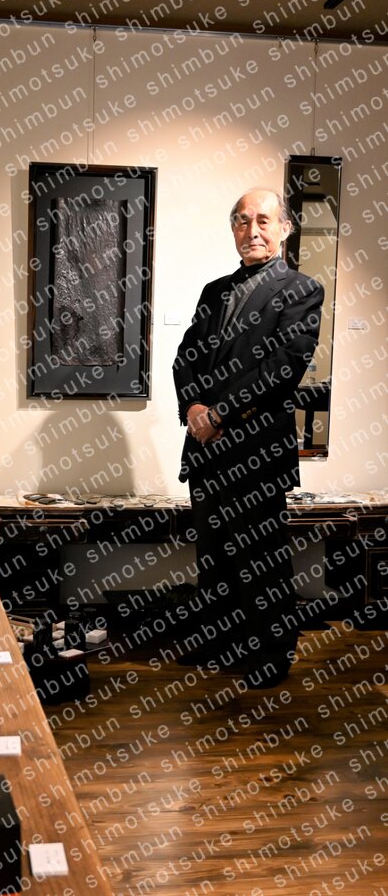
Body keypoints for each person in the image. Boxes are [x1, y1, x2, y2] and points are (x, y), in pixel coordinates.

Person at [173, 188, 324, 688]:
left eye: (263, 220)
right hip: (206, 449)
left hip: (256, 450)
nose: (251, 230)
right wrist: (193, 409)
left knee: (261, 561)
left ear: (285, 229)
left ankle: (270, 656)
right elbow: (185, 358)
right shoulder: (213, 291)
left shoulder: (301, 290)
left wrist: (219, 412)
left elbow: (283, 368)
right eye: (242, 221)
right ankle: (222, 643)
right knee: (214, 558)